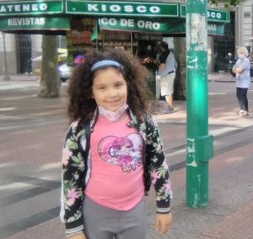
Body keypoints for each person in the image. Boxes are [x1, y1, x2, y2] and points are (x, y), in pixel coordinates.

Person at [60, 49, 173, 238]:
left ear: (128, 84)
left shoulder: (144, 121)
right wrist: (74, 227)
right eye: (102, 88)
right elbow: (70, 177)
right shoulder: (80, 128)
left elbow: (158, 163)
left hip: (134, 211)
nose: (112, 93)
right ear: (90, 92)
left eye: (118, 85)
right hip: (95, 213)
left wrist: (164, 207)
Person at [232, 46, 251, 116]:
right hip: (238, 80)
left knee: (243, 95)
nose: (240, 54)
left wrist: (237, 70)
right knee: (238, 95)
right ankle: (241, 109)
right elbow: (233, 69)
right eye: (239, 53)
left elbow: (239, 70)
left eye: (241, 53)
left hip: (245, 81)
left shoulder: (246, 60)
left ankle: (246, 110)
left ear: (245, 53)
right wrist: (237, 70)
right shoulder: (238, 61)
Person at [157, 41, 176, 111]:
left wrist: (158, 67)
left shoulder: (164, 54)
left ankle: (169, 108)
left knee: (167, 92)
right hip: (171, 73)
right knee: (169, 91)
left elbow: (162, 66)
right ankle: (170, 107)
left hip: (166, 75)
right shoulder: (170, 53)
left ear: (161, 47)